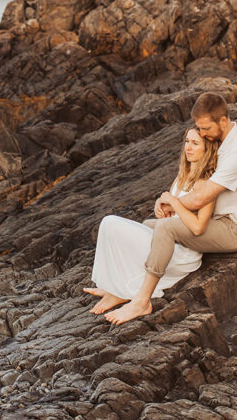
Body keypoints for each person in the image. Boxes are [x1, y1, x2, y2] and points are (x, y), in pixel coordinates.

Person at [101, 91, 237, 324]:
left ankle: (142, 301)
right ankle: (125, 288)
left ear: (223, 122)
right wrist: (166, 203)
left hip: (235, 229)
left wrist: (169, 202)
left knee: (166, 229)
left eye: (205, 129)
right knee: (149, 226)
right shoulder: (223, 142)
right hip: (218, 221)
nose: (202, 134)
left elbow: (199, 199)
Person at [84, 127, 219, 315]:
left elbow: (198, 227)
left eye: (195, 143)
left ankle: (125, 293)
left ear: (208, 150)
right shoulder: (183, 176)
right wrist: (161, 206)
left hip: (183, 254)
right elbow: (171, 211)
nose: (188, 147)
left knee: (110, 223)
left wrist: (173, 202)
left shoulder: (206, 183)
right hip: (168, 242)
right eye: (187, 141)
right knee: (138, 225)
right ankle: (116, 288)